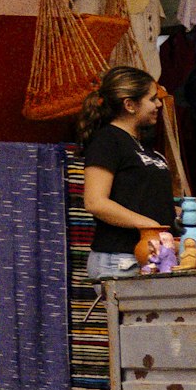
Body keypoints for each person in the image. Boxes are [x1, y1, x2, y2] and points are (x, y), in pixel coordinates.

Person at [78, 65, 180, 270]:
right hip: (121, 259)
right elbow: (95, 202)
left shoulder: (144, 146)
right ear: (130, 105)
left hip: (151, 257)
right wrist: (149, 226)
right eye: (152, 99)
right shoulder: (108, 140)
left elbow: (140, 199)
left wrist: (183, 211)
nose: (159, 104)